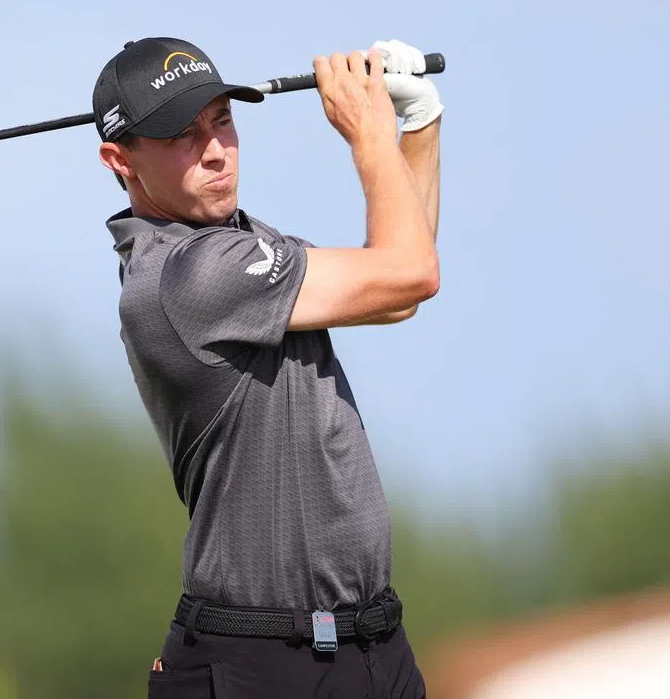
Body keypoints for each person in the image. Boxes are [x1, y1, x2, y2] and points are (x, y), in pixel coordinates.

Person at [93, 36, 443, 698]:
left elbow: (395, 292)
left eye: (221, 120)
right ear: (120, 159)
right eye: (181, 136)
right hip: (260, 663)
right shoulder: (185, 278)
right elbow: (411, 273)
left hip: (370, 649)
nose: (216, 150)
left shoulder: (245, 248)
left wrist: (416, 124)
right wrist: (367, 132)